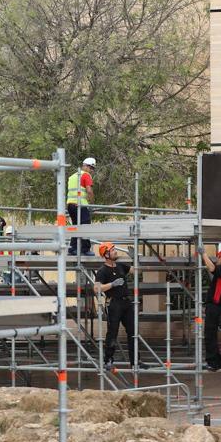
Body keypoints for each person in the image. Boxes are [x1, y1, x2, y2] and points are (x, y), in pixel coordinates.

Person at [95, 242, 145, 370]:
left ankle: (135, 361)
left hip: (126, 303)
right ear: (106, 254)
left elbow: (136, 272)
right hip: (114, 303)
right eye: (112, 250)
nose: (115, 252)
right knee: (112, 333)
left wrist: (135, 259)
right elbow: (97, 288)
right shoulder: (102, 271)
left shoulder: (121, 266)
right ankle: (108, 360)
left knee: (133, 332)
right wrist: (112, 284)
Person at [66, 158, 96, 256]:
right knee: (85, 226)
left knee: (76, 226)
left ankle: (72, 248)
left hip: (70, 205)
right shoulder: (86, 175)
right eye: (92, 168)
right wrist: (92, 204)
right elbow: (89, 190)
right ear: (86, 166)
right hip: (80, 205)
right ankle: (85, 249)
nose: (92, 170)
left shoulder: (73, 176)